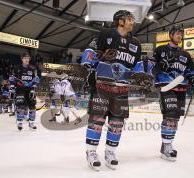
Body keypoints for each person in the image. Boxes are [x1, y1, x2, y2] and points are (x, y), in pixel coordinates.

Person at [82, 10, 144, 171]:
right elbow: (91, 52)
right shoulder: (106, 34)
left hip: (122, 89)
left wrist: (142, 77)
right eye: (129, 19)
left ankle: (110, 152)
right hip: (102, 86)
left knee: (117, 124)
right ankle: (91, 153)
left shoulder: (136, 43)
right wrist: (89, 67)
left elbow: (137, 66)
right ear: (120, 21)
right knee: (97, 121)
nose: (133, 22)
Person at [153, 25, 194, 161]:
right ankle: (167, 146)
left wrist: (193, 79)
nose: (179, 36)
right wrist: (160, 66)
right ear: (171, 35)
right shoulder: (160, 50)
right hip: (166, 86)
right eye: (177, 34)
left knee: (174, 119)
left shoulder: (185, 55)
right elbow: (151, 66)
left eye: (181, 34)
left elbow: (190, 71)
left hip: (181, 89)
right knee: (170, 115)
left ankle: (166, 146)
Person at [9, 53, 40, 131]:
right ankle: (19, 123)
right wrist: (12, 87)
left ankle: (31, 124)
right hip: (20, 89)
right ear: (22, 59)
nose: (26, 59)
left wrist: (33, 87)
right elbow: (12, 78)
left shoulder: (33, 68)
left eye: (28, 58)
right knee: (21, 107)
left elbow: (35, 80)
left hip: (30, 90)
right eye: (25, 58)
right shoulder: (17, 68)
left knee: (32, 107)